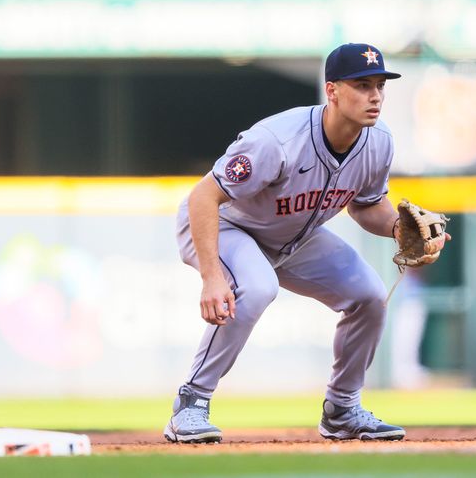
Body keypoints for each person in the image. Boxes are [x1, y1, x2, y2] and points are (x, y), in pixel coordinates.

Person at [164, 43, 448, 444]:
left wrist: (400, 230)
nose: (375, 96)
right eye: (362, 85)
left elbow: (367, 207)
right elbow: (203, 197)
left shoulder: (379, 141)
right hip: (227, 227)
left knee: (368, 294)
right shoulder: (277, 140)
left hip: (292, 235)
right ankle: (190, 405)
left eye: (380, 86)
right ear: (331, 91)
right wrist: (212, 276)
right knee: (258, 286)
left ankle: (343, 411)